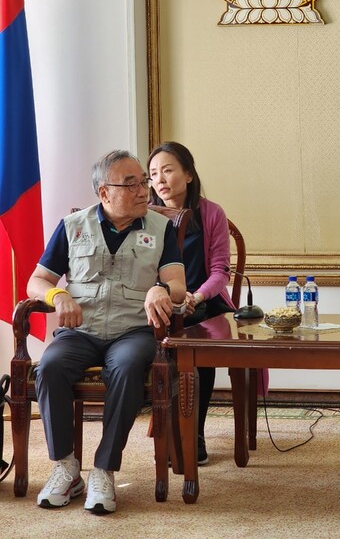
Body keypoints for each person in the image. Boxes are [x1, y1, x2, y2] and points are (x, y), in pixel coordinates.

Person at [28, 150, 186, 515]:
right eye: (130, 184)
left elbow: (177, 284)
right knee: (50, 366)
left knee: (128, 367)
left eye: (143, 182)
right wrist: (58, 294)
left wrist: (162, 289)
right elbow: (37, 281)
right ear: (104, 193)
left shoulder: (162, 229)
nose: (143, 190)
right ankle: (66, 468)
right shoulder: (72, 227)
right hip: (81, 330)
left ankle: (103, 469)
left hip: (133, 331)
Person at [147, 141, 235, 466]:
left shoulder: (211, 213)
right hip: (159, 300)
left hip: (203, 300)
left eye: (168, 170)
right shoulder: (147, 216)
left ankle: (193, 434)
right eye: (153, 174)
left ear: (187, 173)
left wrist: (195, 297)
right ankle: (169, 430)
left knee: (200, 343)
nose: (160, 179)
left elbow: (220, 273)